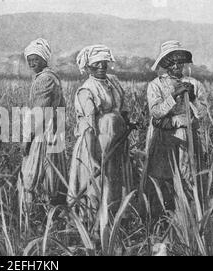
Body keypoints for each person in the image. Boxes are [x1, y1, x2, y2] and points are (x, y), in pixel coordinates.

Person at [67, 45, 132, 219]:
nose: (102, 66)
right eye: (97, 64)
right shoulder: (86, 90)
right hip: (96, 142)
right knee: (98, 182)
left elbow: (122, 108)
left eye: (104, 62)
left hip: (117, 140)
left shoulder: (113, 81)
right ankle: (92, 221)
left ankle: (116, 217)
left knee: (116, 179)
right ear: (88, 67)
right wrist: (93, 157)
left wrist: (126, 121)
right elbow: (89, 127)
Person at [145, 40, 207, 211]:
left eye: (180, 61)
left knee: (189, 175)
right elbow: (156, 112)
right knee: (165, 175)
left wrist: (193, 98)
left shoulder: (194, 84)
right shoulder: (156, 85)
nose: (177, 65)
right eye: (173, 61)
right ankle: (165, 216)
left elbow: (202, 114)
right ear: (166, 64)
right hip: (165, 138)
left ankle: (189, 215)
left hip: (189, 137)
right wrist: (174, 95)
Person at [17, 38, 68, 214]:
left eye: (35, 59)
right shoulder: (50, 77)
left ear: (44, 59)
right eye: (29, 59)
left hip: (42, 134)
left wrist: (27, 139)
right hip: (52, 132)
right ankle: (50, 215)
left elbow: (39, 113)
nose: (32, 62)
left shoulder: (44, 79)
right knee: (51, 175)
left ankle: (33, 217)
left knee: (34, 175)